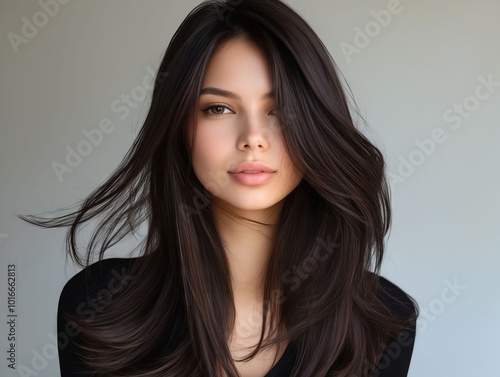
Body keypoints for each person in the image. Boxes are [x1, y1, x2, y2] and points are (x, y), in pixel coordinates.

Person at [19, 0, 419, 376]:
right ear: (180, 128)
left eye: (281, 110)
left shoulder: (380, 321)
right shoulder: (100, 307)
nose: (253, 138)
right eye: (219, 109)